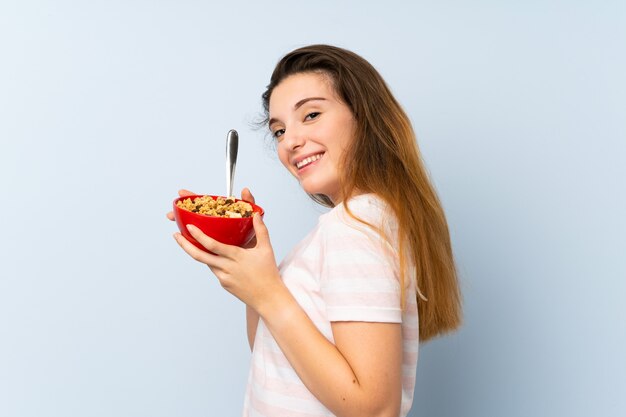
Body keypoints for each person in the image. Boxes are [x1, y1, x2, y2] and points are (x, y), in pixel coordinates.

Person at [167, 44, 462, 417]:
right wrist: (251, 262)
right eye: (278, 131)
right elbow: (273, 356)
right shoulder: (367, 221)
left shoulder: (353, 229)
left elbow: (375, 408)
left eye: (310, 115)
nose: (290, 141)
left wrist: (270, 294)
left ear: (365, 116)